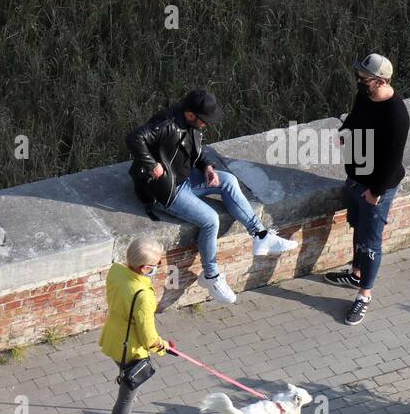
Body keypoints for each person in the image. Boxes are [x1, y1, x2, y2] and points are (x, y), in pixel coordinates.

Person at [126, 88, 298, 304]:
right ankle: (211, 276)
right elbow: (134, 137)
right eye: (204, 120)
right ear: (190, 114)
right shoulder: (166, 123)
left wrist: (207, 166)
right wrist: (152, 164)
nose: (207, 124)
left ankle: (260, 236)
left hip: (186, 178)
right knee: (210, 220)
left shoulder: (190, 125)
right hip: (165, 190)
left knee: (228, 181)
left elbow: (195, 150)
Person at [323, 53, 410, 325]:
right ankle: (356, 273)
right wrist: (344, 131)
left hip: (376, 186)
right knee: (358, 227)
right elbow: (355, 117)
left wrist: (376, 192)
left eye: (364, 79)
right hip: (355, 176)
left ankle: (364, 295)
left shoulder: (396, 116)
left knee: (371, 241)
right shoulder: (365, 96)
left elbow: (392, 160)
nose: (359, 82)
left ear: (381, 81)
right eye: (358, 76)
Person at [96, 237, 173, 414]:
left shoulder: (116, 271)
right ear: (145, 267)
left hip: (113, 338)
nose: (158, 268)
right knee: (127, 397)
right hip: (130, 349)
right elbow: (148, 337)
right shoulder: (144, 296)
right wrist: (163, 346)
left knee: (125, 389)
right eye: (156, 265)